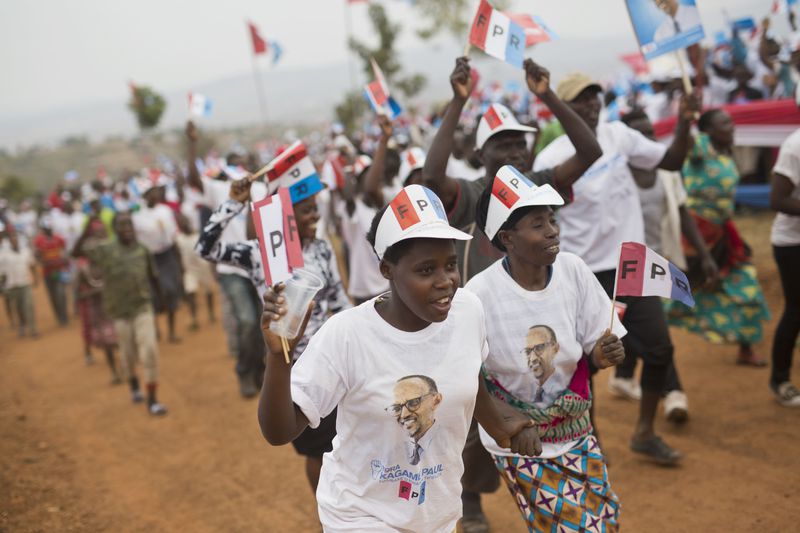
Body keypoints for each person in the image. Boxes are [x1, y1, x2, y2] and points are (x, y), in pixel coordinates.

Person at [258, 184, 540, 532]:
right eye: (426, 270)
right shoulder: (347, 334)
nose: (445, 281)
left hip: (437, 513)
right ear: (387, 269)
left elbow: (470, 377)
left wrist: (502, 426)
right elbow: (279, 430)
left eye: (450, 265)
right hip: (360, 516)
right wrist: (278, 358)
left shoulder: (468, 311)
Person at [423, 57, 603, 531]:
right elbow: (430, 174)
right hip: (489, 328)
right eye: (501, 144)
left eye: (520, 143)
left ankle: (578, 479)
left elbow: (590, 152)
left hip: (546, 318)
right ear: (480, 155)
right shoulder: (471, 193)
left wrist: (546, 95)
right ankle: (473, 499)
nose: (515, 152)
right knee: (480, 422)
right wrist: (459, 101)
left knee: (571, 402)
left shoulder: (539, 187)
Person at [534, 71, 698, 465]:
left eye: (595, 97)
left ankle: (644, 433)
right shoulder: (552, 158)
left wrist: (686, 121)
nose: (591, 105)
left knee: (659, 349)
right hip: (585, 275)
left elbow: (672, 160)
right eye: (581, 99)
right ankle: (592, 443)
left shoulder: (619, 136)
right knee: (583, 365)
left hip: (633, 265)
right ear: (564, 109)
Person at [467, 166, 625, 533]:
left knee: (606, 517)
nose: (552, 230)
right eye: (538, 224)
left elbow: (593, 355)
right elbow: (465, 373)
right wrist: (508, 423)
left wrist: (606, 352)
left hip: (576, 426)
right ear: (507, 239)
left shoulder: (573, 270)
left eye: (551, 219)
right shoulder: (478, 296)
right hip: (521, 442)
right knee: (571, 526)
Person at [196, 157, 351, 495]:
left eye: (315, 209)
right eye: (306, 210)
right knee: (319, 450)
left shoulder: (323, 250)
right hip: (293, 366)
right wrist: (233, 203)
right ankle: (328, 515)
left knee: (348, 441)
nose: (315, 216)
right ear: (286, 216)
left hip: (333, 362)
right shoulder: (260, 253)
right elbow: (205, 248)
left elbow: (339, 300)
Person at [607, 109, 719, 424]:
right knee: (652, 331)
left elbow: (682, 212)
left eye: (651, 134)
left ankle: (624, 376)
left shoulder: (667, 169)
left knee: (633, 325)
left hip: (656, 259)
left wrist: (704, 254)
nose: (649, 140)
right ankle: (673, 392)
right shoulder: (616, 172)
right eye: (640, 135)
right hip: (621, 266)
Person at [665, 109, 771, 366]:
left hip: (723, 235)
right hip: (694, 238)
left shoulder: (726, 153)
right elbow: (684, 141)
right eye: (725, 123)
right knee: (673, 295)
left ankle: (745, 349)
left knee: (746, 286)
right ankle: (642, 347)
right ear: (708, 130)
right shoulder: (700, 148)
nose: (732, 126)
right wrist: (685, 117)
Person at [73, 212, 168, 416]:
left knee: (150, 351)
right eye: (121, 225)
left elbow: (154, 277)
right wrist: (87, 227)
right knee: (128, 356)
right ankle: (134, 383)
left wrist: (161, 301)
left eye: (129, 224)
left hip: (143, 308)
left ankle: (152, 399)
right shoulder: (106, 250)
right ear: (114, 229)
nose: (126, 228)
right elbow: (75, 252)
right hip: (119, 313)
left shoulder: (143, 250)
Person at [768, 120, 800, 406]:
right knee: (795, 310)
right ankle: (779, 380)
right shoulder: (794, 146)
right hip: (792, 244)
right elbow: (777, 198)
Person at [131, 179, 184, 343]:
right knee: (152, 295)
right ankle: (155, 328)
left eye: (156, 191)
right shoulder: (137, 216)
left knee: (171, 291)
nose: (155, 194)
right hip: (149, 259)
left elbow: (172, 236)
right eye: (151, 192)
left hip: (167, 255)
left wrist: (179, 261)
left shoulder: (165, 210)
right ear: (145, 195)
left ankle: (172, 331)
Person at [75, 218, 119, 382]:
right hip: (98, 312)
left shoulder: (109, 264)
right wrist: (95, 292)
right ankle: (114, 372)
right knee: (107, 343)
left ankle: (123, 369)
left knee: (117, 340)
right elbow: (79, 295)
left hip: (113, 307)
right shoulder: (83, 269)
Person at [390, 375, 443, 466]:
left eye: (413, 403)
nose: (403, 415)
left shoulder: (446, 441)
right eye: (397, 408)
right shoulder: (397, 447)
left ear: (436, 401)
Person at [175, 213, 215, 330]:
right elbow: (178, 256)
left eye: (184, 221)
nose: (183, 224)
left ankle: (211, 313)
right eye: (181, 222)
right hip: (190, 270)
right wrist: (181, 270)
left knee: (208, 290)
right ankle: (193, 318)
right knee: (190, 292)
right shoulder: (178, 239)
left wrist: (211, 265)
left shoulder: (199, 235)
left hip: (203, 266)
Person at [0, 229, 38, 338]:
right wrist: (2, 286)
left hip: (25, 282)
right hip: (12, 285)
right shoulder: (3, 255)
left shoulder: (25, 251)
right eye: (12, 238)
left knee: (29, 306)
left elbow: (32, 264)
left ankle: (33, 329)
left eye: (16, 237)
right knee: (18, 308)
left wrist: (35, 279)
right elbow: (1, 272)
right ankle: (22, 325)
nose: (14, 240)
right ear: (9, 240)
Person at [33, 217, 70, 328]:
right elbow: (36, 254)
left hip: (58, 271)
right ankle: (59, 316)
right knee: (52, 296)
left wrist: (64, 260)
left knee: (61, 294)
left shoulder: (58, 238)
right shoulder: (39, 241)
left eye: (49, 228)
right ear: (43, 229)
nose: (48, 230)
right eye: (46, 228)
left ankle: (64, 316)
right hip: (47, 272)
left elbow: (65, 251)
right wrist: (41, 260)